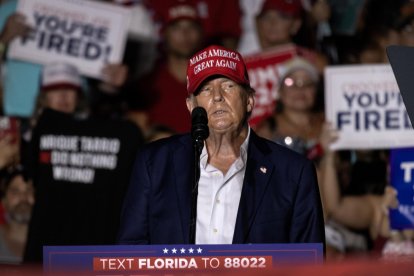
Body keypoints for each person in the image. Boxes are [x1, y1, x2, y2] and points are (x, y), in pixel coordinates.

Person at [118, 45, 325, 246]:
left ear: (250, 101)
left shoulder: (293, 172)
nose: (217, 97)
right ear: (191, 106)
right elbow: (130, 251)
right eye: (206, 89)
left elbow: (309, 260)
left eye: (228, 86)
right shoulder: (154, 163)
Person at [0, 166, 34, 264]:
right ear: (4, 201)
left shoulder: (59, 242)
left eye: (29, 190)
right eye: (15, 192)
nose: (23, 198)